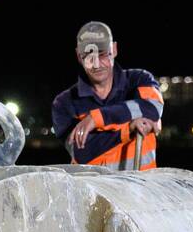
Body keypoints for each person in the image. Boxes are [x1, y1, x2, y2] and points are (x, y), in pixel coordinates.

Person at [51, 21, 163, 170]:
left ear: (114, 49)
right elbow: (82, 152)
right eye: (88, 56)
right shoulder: (64, 102)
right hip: (93, 192)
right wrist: (128, 128)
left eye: (102, 54)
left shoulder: (139, 79)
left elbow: (153, 108)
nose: (96, 64)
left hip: (141, 189)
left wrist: (96, 119)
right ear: (78, 56)